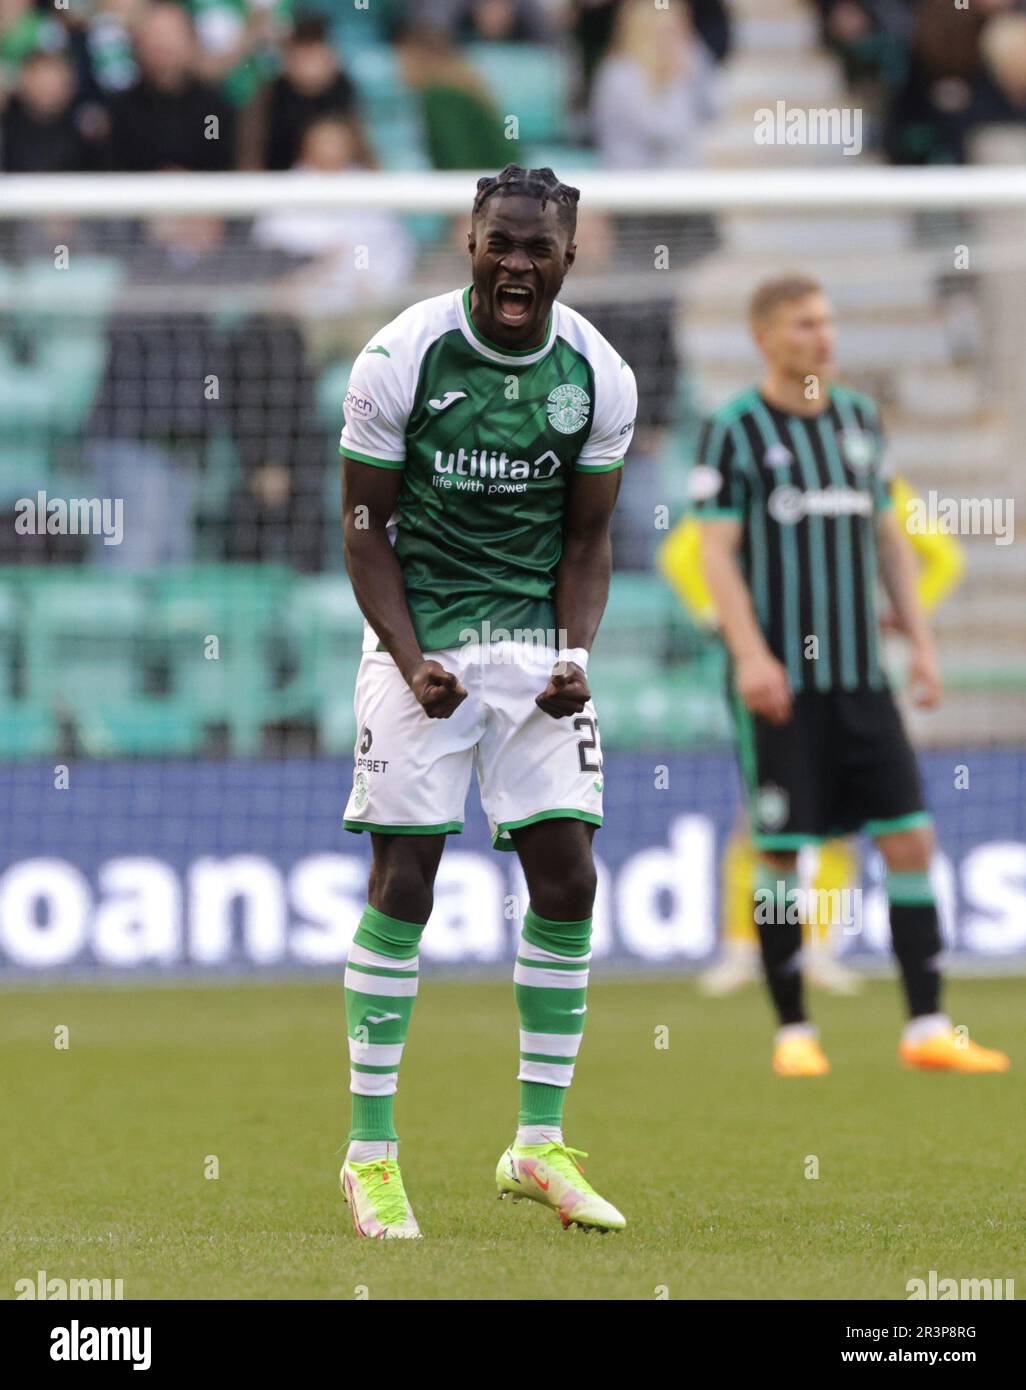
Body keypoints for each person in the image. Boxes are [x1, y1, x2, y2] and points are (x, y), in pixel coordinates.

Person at [337, 164, 638, 1238]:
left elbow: (589, 539)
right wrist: (411, 654)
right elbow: (364, 531)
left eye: (538, 248)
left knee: (568, 877)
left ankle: (538, 1145)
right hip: (421, 643)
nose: (518, 264)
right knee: (406, 881)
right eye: (499, 243)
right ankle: (371, 1155)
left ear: (569, 254)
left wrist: (574, 655)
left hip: (531, 656)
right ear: (469, 241)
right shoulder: (399, 357)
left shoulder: (598, 376)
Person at [695, 273, 1010, 1077]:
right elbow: (716, 555)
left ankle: (927, 1026)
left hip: (862, 678)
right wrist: (752, 654)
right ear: (765, 337)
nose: (822, 337)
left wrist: (924, 644)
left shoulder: (861, 423)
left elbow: (890, 542)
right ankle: (794, 1033)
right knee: (779, 851)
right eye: (804, 324)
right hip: (781, 687)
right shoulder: (734, 431)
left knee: (910, 838)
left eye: (828, 322)